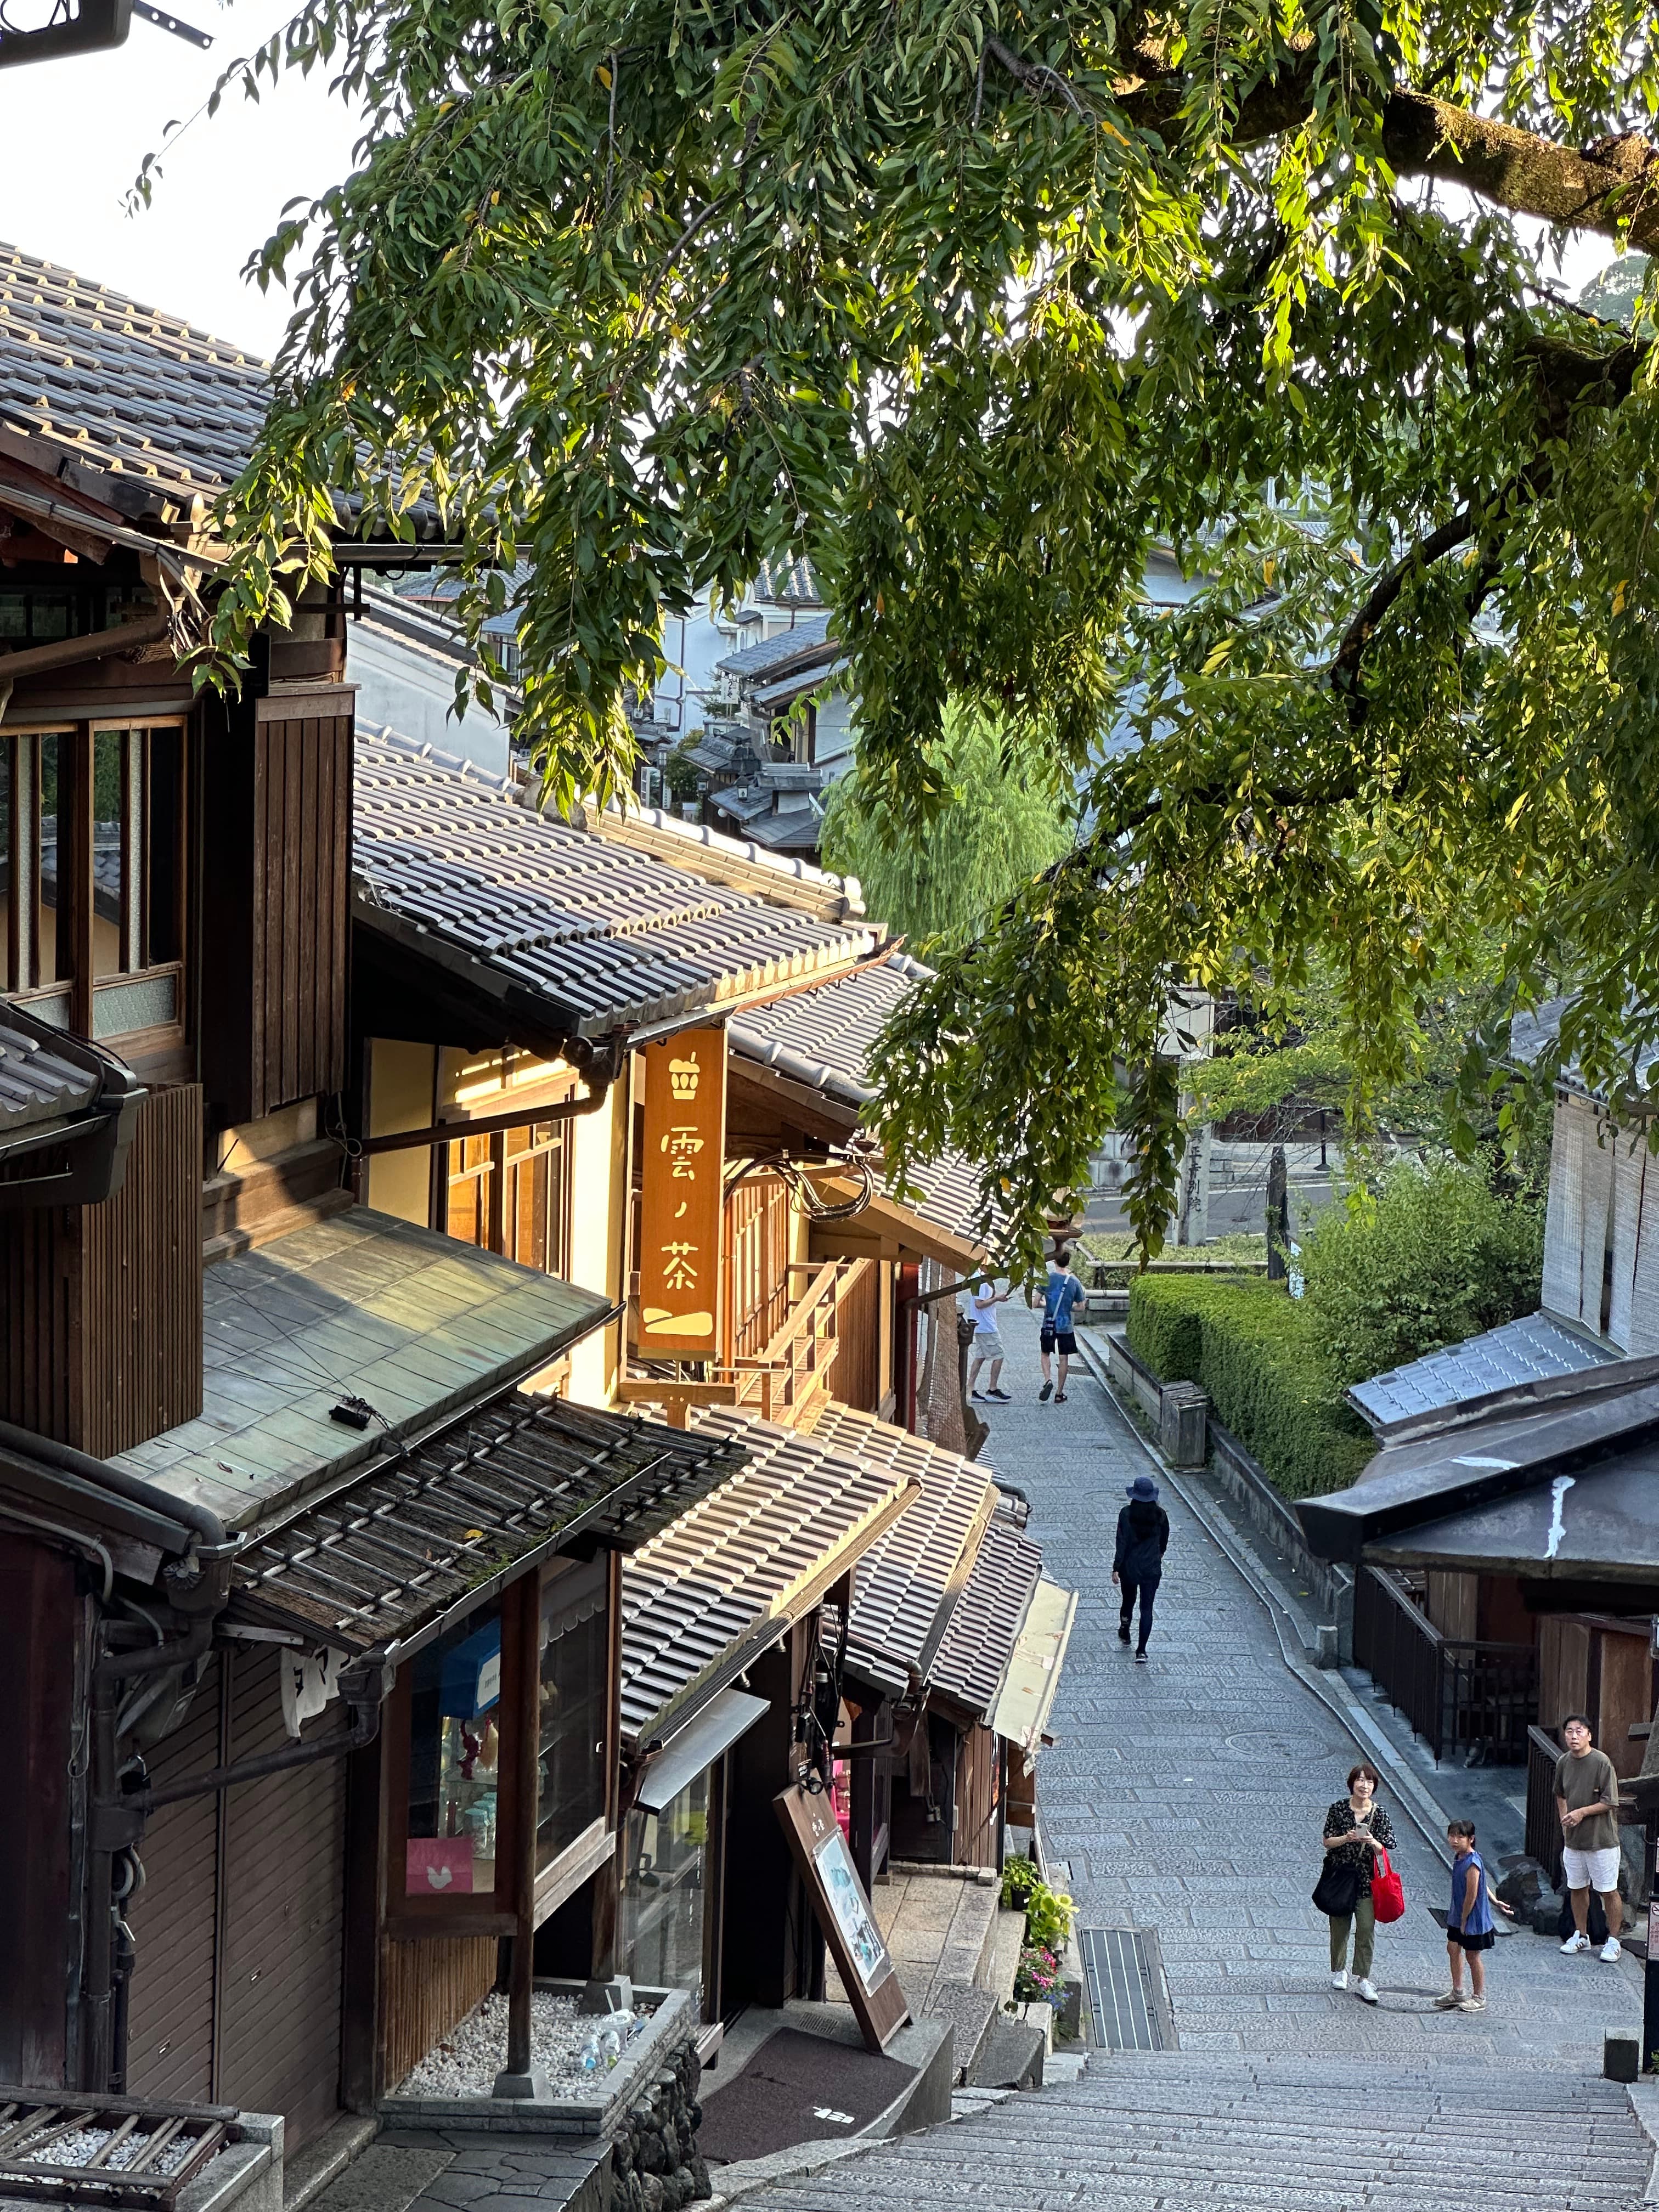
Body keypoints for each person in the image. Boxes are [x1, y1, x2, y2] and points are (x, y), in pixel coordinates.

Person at [1321, 1763, 1397, 2005]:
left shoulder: (1380, 1813)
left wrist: (1373, 1842)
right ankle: (1339, 1970)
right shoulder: (1339, 1809)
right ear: (1352, 1783)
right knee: (1340, 1926)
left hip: (1367, 1880)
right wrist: (1347, 1838)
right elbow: (1327, 1841)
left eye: (1370, 1782)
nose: (1365, 1785)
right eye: (1360, 1780)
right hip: (1341, 1877)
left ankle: (1364, 1977)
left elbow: (1387, 1846)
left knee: (1366, 1928)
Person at [1555, 1712, 1624, 1961]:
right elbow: (1560, 1794)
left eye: (1579, 1731)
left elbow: (1610, 1801)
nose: (1574, 1736)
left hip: (1601, 1840)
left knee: (1608, 1890)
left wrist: (1581, 1813)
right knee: (1576, 1888)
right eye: (1570, 1731)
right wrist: (1566, 1821)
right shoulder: (1563, 1761)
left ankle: (1614, 1940)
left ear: (1589, 1735)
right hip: (1574, 1840)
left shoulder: (1602, 1762)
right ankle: (1581, 1935)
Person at [1436, 1818, 1496, 2012]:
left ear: (1471, 1839)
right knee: (1453, 1948)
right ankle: (1458, 1991)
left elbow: (1473, 1892)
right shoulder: (1460, 1857)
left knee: (1472, 1955)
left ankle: (1479, 1996)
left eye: (1460, 1837)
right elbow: (1482, 1886)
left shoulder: (1472, 1862)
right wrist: (1495, 1900)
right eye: (1452, 1836)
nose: (1454, 1840)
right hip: (1458, 1914)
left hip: (1473, 1918)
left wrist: (1464, 1919)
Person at [1113, 1473, 1169, 1663]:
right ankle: (1142, 1651)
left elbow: (1121, 1542)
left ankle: (1125, 1630)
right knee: (1147, 1608)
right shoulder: (1161, 1515)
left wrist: (1116, 1567)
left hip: (1130, 1567)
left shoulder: (1126, 1514)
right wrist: (1157, 1556)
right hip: (1151, 1568)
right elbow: (1164, 1542)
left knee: (1128, 1600)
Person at [1039, 1248, 1085, 1402]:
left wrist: (1048, 1305)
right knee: (1063, 1358)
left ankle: (1047, 1380)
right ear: (1068, 1262)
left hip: (1049, 1324)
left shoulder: (1046, 1278)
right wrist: (1067, 1307)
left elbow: (1035, 1303)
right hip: (1065, 1326)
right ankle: (1059, 1393)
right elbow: (1081, 1307)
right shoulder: (1074, 1282)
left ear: (1054, 1261)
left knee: (1045, 1353)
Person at [967, 1278, 1012, 1402]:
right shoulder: (981, 1281)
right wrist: (996, 1299)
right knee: (999, 1355)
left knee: (980, 1357)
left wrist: (997, 1297)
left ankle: (970, 1389)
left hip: (982, 1324)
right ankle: (993, 1389)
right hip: (986, 1326)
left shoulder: (983, 1279)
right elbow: (979, 1304)